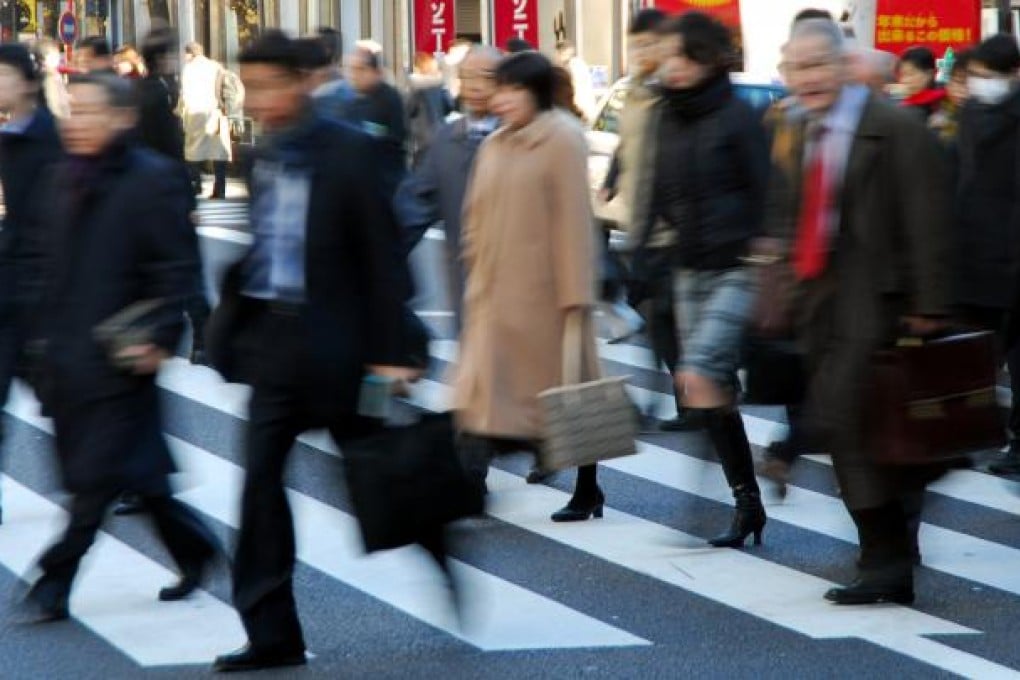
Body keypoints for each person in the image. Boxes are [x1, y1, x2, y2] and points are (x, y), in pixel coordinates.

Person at [206, 32, 417, 672]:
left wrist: (391, 352)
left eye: (270, 84)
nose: (259, 99)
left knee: (382, 477)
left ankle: (434, 529)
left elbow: (382, 257)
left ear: (303, 81)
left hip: (344, 351)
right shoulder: (265, 152)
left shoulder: (351, 152)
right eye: (251, 86)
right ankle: (272, 633)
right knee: (260, 488)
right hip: (278, 349)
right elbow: (266, 246)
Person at [19, 72, 218, 622]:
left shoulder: (150, 180)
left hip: (122, 354)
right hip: (67, 354)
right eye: (72, 110)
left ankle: (55, 578)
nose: (77, 122)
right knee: (140, 476)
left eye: (90, 112)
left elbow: (176, 267)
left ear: (122, 119)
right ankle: (195, 549)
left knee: (96, 477)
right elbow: (39, 262)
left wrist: (159, 338)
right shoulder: (61, 177)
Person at [767, 18, 950, 604]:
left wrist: (929, 303)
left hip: (881, 300)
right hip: (822, 302)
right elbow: (793, 222)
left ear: (845, 67)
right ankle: (886, 562)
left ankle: (883, 555)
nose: (809, 78)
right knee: (859, 438)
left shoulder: (893, 127)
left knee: (850, 424)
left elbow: (928, 217)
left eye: (819, 65)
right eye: (797, 68)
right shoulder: (798, 130)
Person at [629, 12, 769, 547]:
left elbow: (765, 192)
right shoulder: (668, 114)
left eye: (684, 58)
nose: (674, 67)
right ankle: (746, 502)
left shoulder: (737, 116)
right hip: (688, 265)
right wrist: (641, 252)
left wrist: (765, 254)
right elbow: (654, 191)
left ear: (710, 60)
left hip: (738, 266)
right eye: (670, 57)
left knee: (699, 375)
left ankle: (722, 497)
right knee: (708, 390)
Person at [452, 51, 605, 522]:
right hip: (496, 294)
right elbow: (474, 215)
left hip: (547, 297)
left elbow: (574, 221)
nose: (501, 99)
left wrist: (576, 296)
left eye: (513, 89)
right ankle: (470, 487)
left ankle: (587, 488)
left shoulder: (560, 139)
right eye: (500, 89)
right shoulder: (496, 144)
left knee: (572, 398)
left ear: (535, 92)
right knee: (481, 397)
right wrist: (473, 265)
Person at [606, 8, 698, 432]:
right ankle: (684, 402)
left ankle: (694, 403)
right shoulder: (636, 93)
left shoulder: (672, 94)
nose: (640, 51)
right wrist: (610, 179)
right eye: (635, 44)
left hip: (670, 233)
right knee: (657, 320)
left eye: (648, 44)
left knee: (665, 320)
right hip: (640, 226)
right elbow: (628, 146)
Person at [0, 44, 64, 526]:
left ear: (25, 80)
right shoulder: (6, 137)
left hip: (43, 299)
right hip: (8, 295)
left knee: (72, 411)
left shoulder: (51, 141)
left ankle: (133, 488)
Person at [395, 45, 501, 331]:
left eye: (486, 77)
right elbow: (413, 208)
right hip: (467, 287)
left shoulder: (523, 135)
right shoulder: (446, 141)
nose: (476, 87)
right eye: (467, 77)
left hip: (523, 290)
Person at [951, 36, 1020, 475]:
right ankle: (988, 437)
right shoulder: (974, 116)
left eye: (986, 75)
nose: (981, 84)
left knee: (993, 356)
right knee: (989, 357)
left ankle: (987, 437)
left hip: (993, 256)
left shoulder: (974, 115)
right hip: (987, 256)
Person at [340, 46, 408, 199]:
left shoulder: (389, 97)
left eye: (360, 69)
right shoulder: (350, 102)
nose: (354, 75)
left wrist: (366, 132)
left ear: (374, 71)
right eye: (350, 69)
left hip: (387, 181)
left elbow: (396, 135)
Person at [181, 42, 232, 199]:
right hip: (216, 113)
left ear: (190, 54)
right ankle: (220, 188)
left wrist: (180, 111)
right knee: (218, 151)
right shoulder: (216, 66)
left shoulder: (189, 69)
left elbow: (185, 92)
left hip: (195, 113)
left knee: (193, 152)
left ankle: (196, 184)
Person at [406, 51, 454, 167]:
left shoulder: (416, 86)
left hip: (422, 139)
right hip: (441, 135)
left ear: (418, 67)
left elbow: (408, 109)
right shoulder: (438, 85)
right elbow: (449, 106)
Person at [897, 46, 946, 123]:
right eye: (903, 74)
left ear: (929, 74)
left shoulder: (942, 105)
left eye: (911, 74)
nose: (905, 80)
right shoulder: (901, 103)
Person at [555, 40, 597, 122]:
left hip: (580, 109)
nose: (556, 57)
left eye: (558, 53)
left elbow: (577, 89)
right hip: (580, 110)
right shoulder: (575, 64)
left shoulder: (574, 66)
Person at [33, 38, 69, 119]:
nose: (59, 58)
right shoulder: (50, 77)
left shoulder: (35, 75)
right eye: (56, 54)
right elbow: (56, 107)